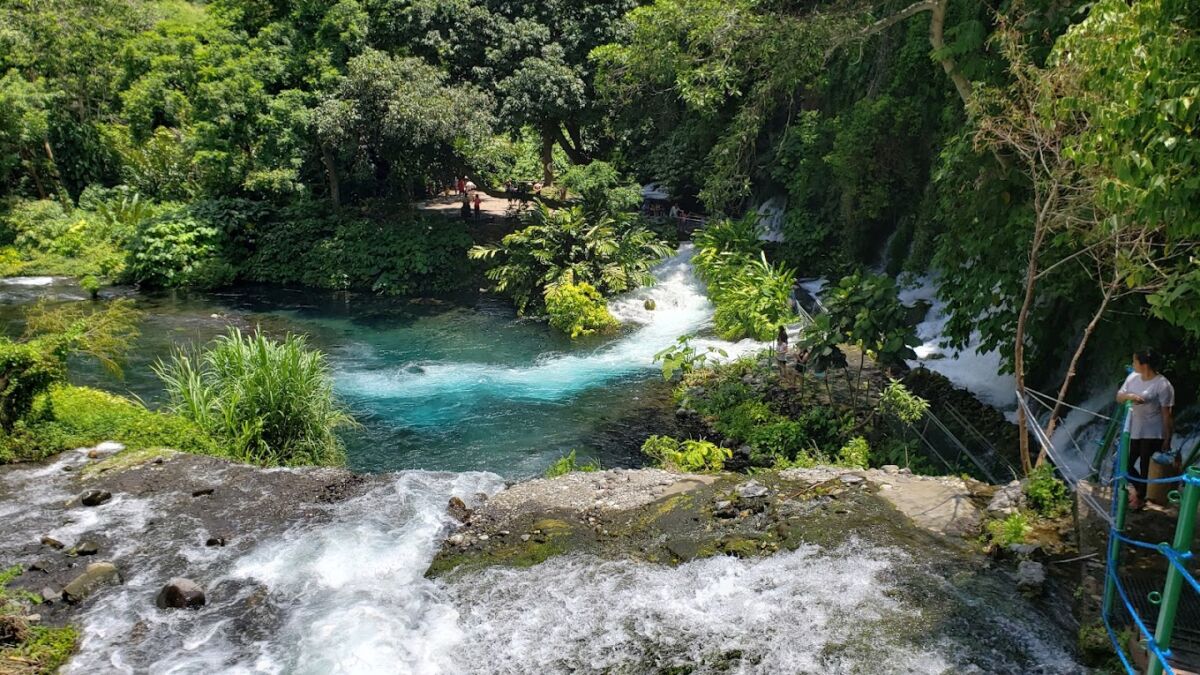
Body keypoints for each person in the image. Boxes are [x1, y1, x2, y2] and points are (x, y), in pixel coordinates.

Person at [1116, 349, 1175, 510]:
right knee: (1126, 464)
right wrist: (1130, 397)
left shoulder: (1162, 385)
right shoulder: (1133, 377)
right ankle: (1139, 491)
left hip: (1153, 432)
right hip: (1135, 429)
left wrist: (1167, 438)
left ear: (1144, 365)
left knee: (1144, 466)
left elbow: (1167, 414)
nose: (1133, 364)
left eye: (1135, 361)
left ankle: (1140, 498)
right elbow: (1119, 396)